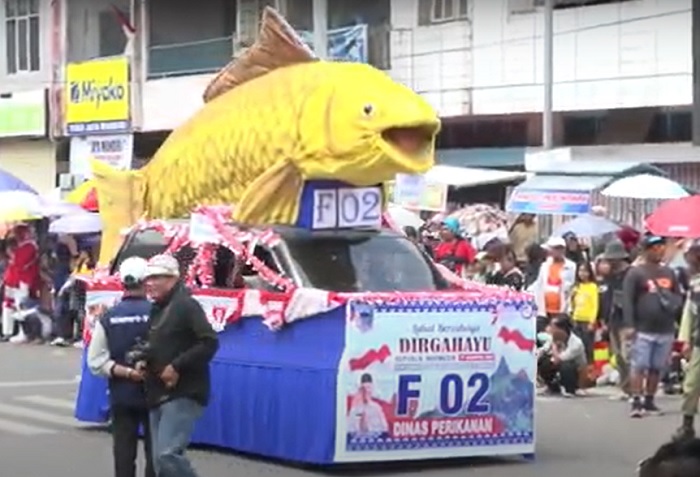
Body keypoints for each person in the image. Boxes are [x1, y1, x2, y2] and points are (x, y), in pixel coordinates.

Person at [142, 254, 219, 477]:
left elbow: (209, 342)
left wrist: (176, 366)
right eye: (148, 278)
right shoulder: (157, 308)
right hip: (156, 389)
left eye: (156, 277)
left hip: (183, 390)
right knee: (159, 463)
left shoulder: (186, 305)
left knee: (168, 454)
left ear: (173, 279)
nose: (150, 282)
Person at [87, 257, 154, 477]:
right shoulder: (159, 313)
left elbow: (95, 361)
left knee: (124, 454)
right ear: (146, 281)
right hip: (155, 392)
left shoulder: (108, 317)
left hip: (121, 394)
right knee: (156, 454)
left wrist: (126, 372)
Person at [623, 235, 683, 418]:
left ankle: (650, 400)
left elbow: (678, 296)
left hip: (665, 328)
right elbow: (627, 299)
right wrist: (630, 324)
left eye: (662, 247)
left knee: (657, 367)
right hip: (642, 329)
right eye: (655, 247)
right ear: (646, 250)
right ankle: (636, 400)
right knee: (639, 366)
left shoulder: (669, 273)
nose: (660, 251)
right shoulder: (636, 273)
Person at [598, 240, 633, 401]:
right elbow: (607, 297)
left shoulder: (631, 274)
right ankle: (626, 389)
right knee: (618, 357)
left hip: (627, 320)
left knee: (628, 356)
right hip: (613, 320)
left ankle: (635, 389)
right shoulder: (610, 277)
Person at [674, 240, 700, 440]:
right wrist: (685, 340)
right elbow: (688, 313)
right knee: (691, 384)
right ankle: (687, 424)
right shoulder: (695, 283)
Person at [2, 225, 39, 343]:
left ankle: (24, 332)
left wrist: (12, 255)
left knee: (20, 306)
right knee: (9, 305)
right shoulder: (22, 246)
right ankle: (8, 331)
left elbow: (20, 264)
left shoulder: (29, 246)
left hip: (22, 281)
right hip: (13, 280)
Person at [530, 236, 576, 332]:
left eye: (559, 248)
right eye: (554, 248)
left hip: (562, 309)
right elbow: (539, 285)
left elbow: (572, 287)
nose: (556, 251)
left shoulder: (571, 267)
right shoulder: (544, 266)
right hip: (545, 310)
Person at [537, 316, 587, 396]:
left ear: (562, 329)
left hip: (577, 371)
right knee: (543, 361)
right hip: (559, 366)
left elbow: (559, 360)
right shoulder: (553, 337)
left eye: (553, 327)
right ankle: (552, 387)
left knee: (566, 365)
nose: (550, 330)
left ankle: (572, 389)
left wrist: (554, 345)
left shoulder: (576, 343)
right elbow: (543, 350)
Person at [570, 261, 599, 363]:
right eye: (580, 271)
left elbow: (595, 305)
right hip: (576, 319)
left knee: (588, 345)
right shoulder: (577, 286)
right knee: (577, 345)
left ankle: (590, 366)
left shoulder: (593, 286)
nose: (582, 273)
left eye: (585, 271)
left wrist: (592, 321)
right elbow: (572, 304)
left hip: (587, 320)